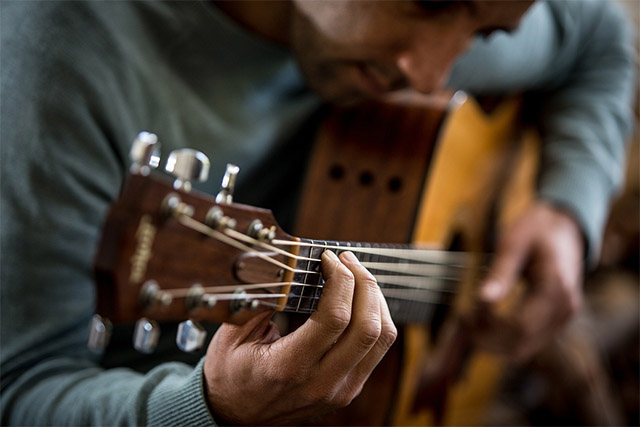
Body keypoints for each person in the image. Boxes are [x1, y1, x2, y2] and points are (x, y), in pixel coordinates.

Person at [0, 0, 634, 425]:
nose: (431, 71)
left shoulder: (443, 27)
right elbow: (19, 389)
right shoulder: (55, 68)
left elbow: (602, 39)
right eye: (426, 0)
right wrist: (208, 405)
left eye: (486, 32)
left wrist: (568, 210)